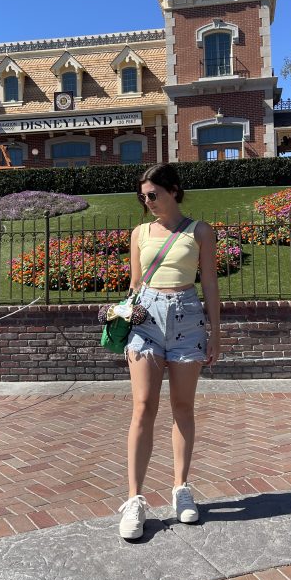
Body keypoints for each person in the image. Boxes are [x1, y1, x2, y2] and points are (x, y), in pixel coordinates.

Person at [119, 162, 221, 540]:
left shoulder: (200, 231)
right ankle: (134, 499)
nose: (147, 202)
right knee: (143, 406)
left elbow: (210, 283)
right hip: (146, 319)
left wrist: (216, 332)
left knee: (182, 406)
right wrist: (123, 316)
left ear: (173, 191)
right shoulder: (140, 233)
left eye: (153, 195)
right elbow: (135, 283)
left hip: (187, 318)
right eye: (143, 197)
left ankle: (181, 488)